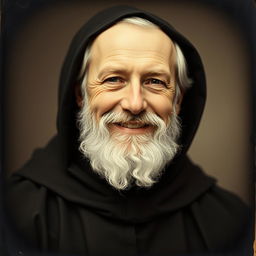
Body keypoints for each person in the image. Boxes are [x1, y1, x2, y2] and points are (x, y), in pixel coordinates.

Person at [5, 5, 252, 256]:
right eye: (113, 79)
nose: (134, 104)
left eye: (155, 81)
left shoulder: (228, 219)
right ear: (80, 94)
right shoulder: (18, 212)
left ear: (178, 101)